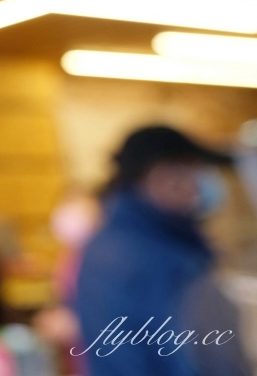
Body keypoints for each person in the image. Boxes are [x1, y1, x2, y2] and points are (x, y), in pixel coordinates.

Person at [75, 126, 251, 376]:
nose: (199, 187)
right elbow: (191, 353)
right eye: (194, 171)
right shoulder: (149, 256)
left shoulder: (124, 241)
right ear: (162, 175)